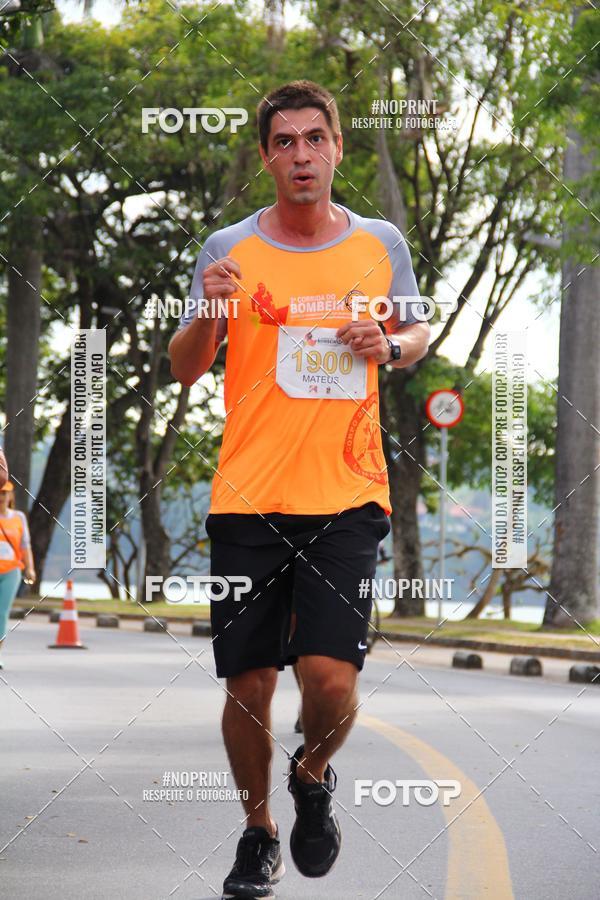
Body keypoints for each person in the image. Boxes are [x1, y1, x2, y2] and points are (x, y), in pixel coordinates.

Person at [169, 80, 430, 899]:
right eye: (284, 143)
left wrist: (388, 342)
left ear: (337, 148)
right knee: (248, 686)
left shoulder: (378, 241)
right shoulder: (226, 249)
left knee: (332, 679)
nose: (301, 155)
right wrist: (208, 315)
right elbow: (184, 366)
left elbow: (418, 331)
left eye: (314, 138)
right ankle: (257, 834)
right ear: (266, 159)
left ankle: (312, 774)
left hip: (348, 495)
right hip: (245, 497)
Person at [0, 480, 36, 669]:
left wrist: (30, 568)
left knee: (2, 612)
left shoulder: (19, 517)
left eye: (5, 493)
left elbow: (25, 545)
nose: (2, 497)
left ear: (10, 496)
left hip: (12, 570)